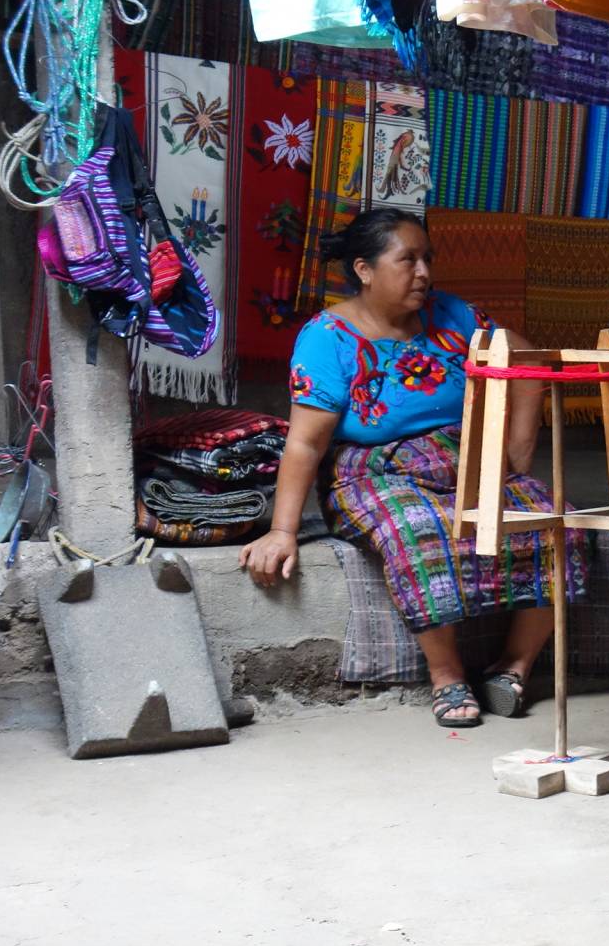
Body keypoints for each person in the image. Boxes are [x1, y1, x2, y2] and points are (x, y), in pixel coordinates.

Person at [240, 209, 581, 727]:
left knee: (557, 521)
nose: (424, 272)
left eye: (428, 259)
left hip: (460, 460)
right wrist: (282, 531)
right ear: (364, 269)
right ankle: (447, 678)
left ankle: (512, 668)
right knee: (420, 529)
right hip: (373, 473)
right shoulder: (326, 338)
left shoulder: (453, 317)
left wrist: (515, 455)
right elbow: (306, 444)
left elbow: (525, 355)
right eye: (408, 260)